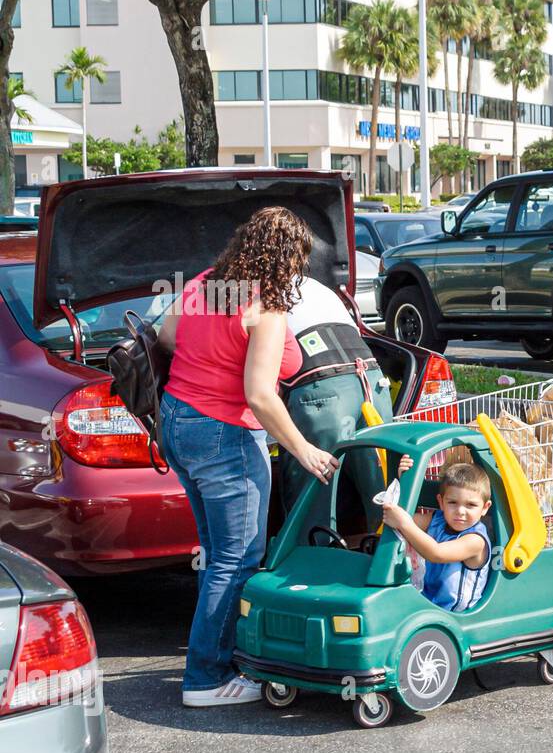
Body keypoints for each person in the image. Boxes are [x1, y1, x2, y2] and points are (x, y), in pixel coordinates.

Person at [158, 206, 340, 707]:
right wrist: (304, 450)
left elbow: (166, 337)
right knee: (236, 561)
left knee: (217, 555)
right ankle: (206, 679)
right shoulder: (265, 307)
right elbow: (260, 395)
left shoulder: (206, 283)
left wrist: (210, 357)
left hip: (178, 421)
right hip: (225, 437)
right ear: (287, 260)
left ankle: (216, 660)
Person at [278, 274, 392, 522]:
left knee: (315, 498)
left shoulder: (254, 291)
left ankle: (314, 555)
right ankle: (388, 555)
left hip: (322, 392)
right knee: (383, 495)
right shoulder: (317, 285)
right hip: (373, 382)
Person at [382, 461, 492, 612]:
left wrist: (404, 523)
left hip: (455, 615)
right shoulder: (437, 520)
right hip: (427, 603)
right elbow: (401, 517)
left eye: (471, 505)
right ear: (441, 502)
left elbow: (436, 553)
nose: (460, 511)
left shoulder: (475, 540)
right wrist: (405, 481)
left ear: (485, 508)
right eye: (452, 502)